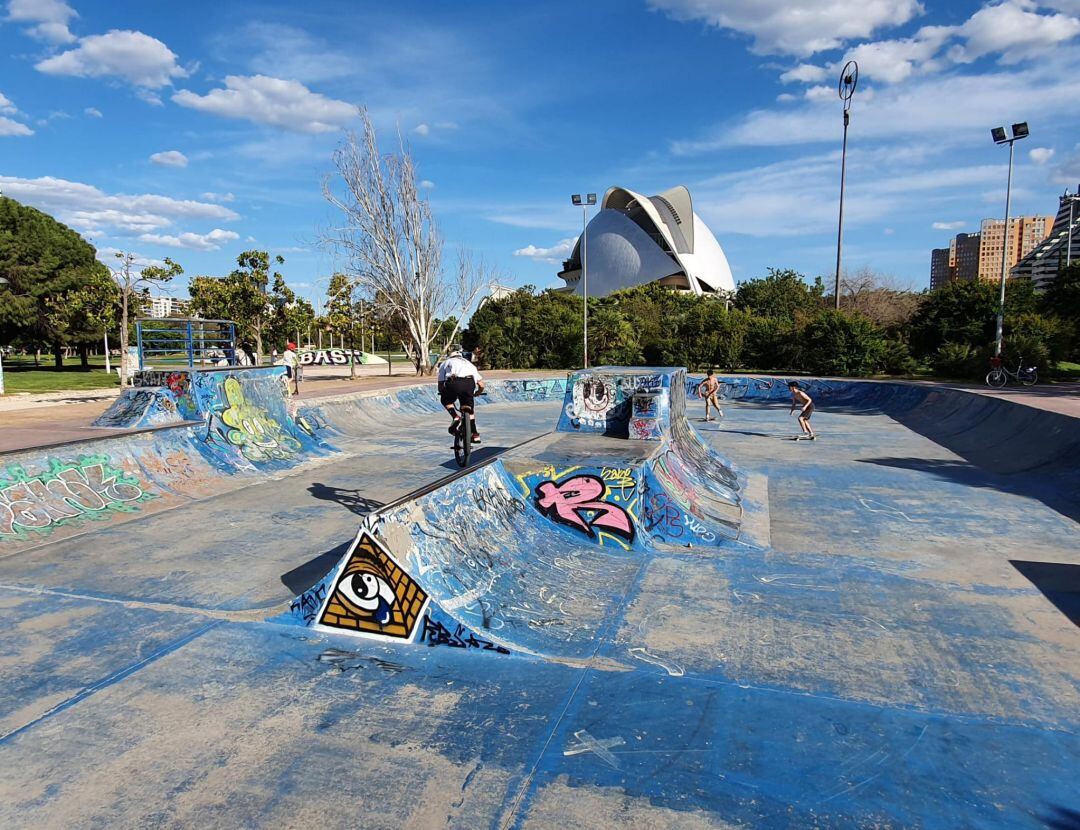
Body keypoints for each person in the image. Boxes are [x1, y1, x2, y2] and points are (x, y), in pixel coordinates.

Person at [438, 345, 485, 443]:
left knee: (445, 400)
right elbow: (481, 384)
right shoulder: (469, 364)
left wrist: (443, 393)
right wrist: (478, 392)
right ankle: (475, 435)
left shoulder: (446, 363)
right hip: (469, 384)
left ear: (450, 356)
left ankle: (455, 416)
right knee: (469, 408)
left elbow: (441, 384)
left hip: (454, 383)